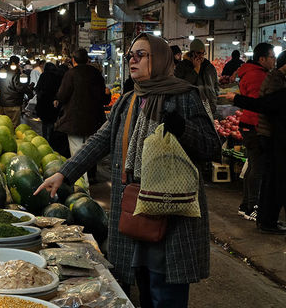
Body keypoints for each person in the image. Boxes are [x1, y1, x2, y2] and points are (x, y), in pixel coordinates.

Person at [36, 34, 220, 308]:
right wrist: (64, 173)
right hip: (134, 207)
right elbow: (101, 139)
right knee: (143, 285)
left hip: (171, 212)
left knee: (166, 290)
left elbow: (211, 146)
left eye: (140, 55)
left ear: (158, 59)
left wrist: (183, 128)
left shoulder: (185, 96)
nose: (132, 60)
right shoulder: (130, 99)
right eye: (130, 55)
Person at [221, 51, 286, 234]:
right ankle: (257, 212)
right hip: (267, 133)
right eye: (270, 56)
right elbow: (265, 104)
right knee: (266, 175)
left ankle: (253, 209)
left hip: (262, 131)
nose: (272, 60)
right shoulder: (269, 79)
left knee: (263, 174)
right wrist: (237, 99)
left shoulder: (268, 77)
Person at [54, 49, 110, 186]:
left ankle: (82, 185)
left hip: (74, 121)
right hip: (94, 120)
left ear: (73, 61)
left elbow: (62, 95)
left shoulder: (70, 74)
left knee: (77, 151)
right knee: (92, 148)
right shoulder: (96, 74)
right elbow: (103, 99)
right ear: (87, 60)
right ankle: (91, 177)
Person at [234, 42, 275, 221]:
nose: (274, 60)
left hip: (247, 123)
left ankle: (245, 205)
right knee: (256, 168)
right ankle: (252, 207)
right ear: (262, 59)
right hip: (254, 125)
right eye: (272, 57)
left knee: (252, 166)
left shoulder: (250, 72)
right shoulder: (258, 76)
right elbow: (260, 104)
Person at [174, 39, 219, 114]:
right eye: (198, 53)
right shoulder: (182, 66)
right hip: (189, 108)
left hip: (209, 107)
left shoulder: (209, 67)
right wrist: (196, 70)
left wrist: (214, 98)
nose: (201, 56)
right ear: (192, 53)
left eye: (203, 53)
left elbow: (216, 85)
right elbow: (182, 86)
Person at [0, 56, 32, 127]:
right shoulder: (15, 73)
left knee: (3, 126)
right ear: (18, 63)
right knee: (14, 126)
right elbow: (19, 87)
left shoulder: (3, 71)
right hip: (13, 104)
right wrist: (28, 90)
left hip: (3, 103)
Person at [35, 62, 61, 143]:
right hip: (53, 104)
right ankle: (51, 140)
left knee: (45, 123)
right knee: (52, 123)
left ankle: (45, 140)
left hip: (43, 104)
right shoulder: (58, 76)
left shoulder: (43, 76)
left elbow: (38, 88)